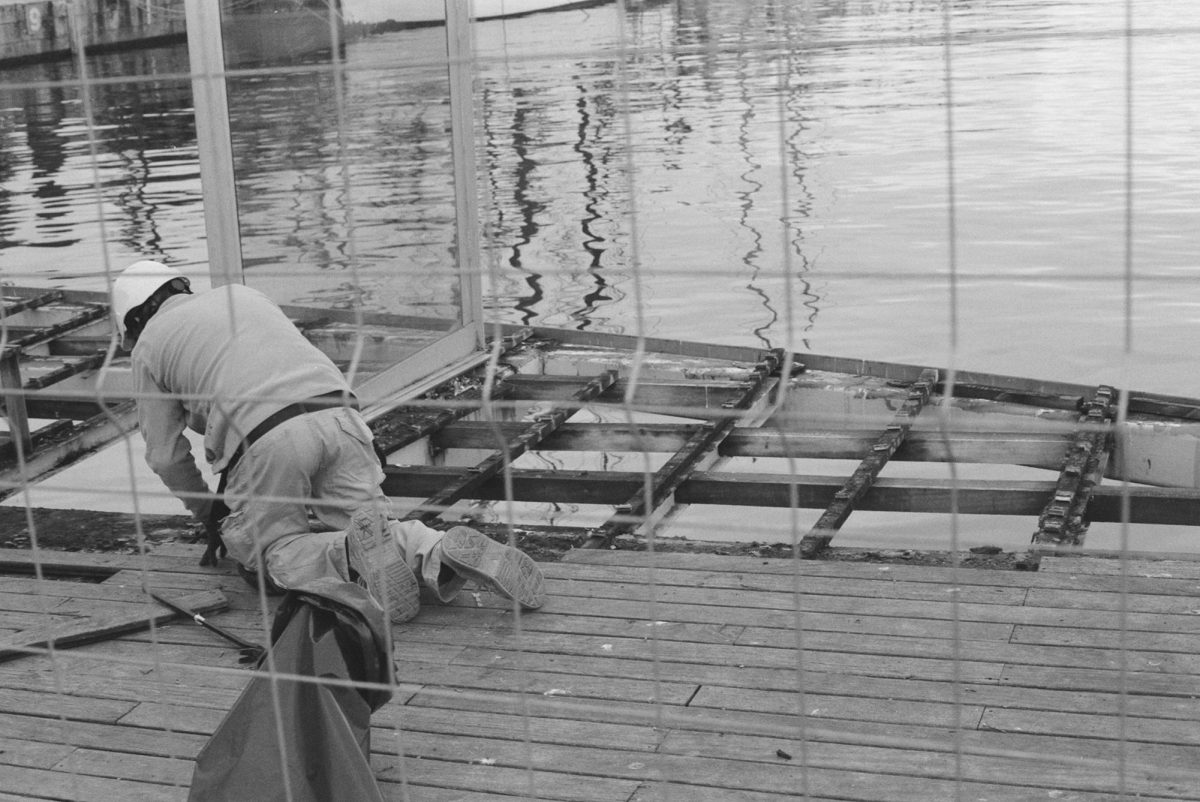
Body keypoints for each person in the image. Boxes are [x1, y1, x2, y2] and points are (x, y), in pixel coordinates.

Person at [112, 259, 545, 622]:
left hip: (267, 440)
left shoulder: (149, 345)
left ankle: (351, 555)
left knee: (268, 558)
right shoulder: (240, 295)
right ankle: (434, 546)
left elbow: (166, 456)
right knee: (375, 527)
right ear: (177, 286)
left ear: (134, 320)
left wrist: (211, 514)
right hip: (342, 419)